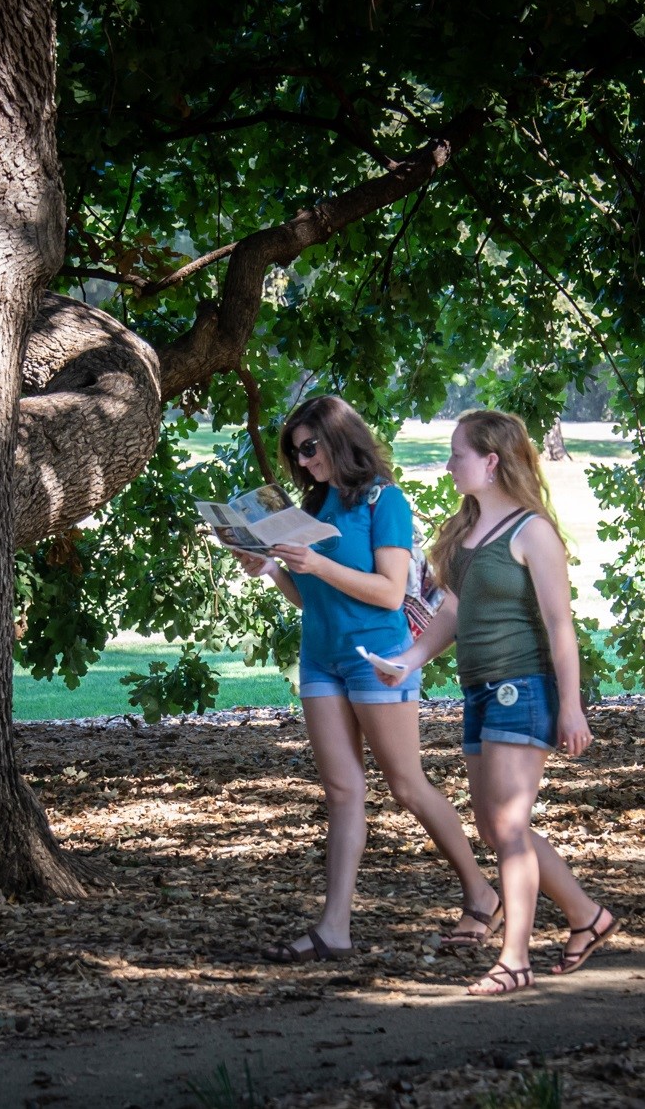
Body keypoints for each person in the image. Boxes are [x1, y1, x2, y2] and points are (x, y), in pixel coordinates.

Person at [234, 395, 499, 963]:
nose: (304, 463)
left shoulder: (386, 500)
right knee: (342, 791)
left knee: (405, 785)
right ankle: (334, 929)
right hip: (321, 657)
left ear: (338, 439)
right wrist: (274, 568)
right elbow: (312, 597)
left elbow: (387, 591)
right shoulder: (316, 507)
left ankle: (481, 892)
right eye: (295, 455)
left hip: (378, 657)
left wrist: (318, 563)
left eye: (311, 449)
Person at [381, 410, 618, 995]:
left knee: (509, 824)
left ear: (490, 461)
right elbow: (453, 614)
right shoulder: (465, 536)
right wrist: (408, 662)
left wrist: (571, 707)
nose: (449, 462)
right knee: (493, 825)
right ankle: (588, 916)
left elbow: (561, 626)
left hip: (525, 686)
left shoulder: (531, 531)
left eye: (458, 453)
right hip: (479, 690)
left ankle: (515, 960)